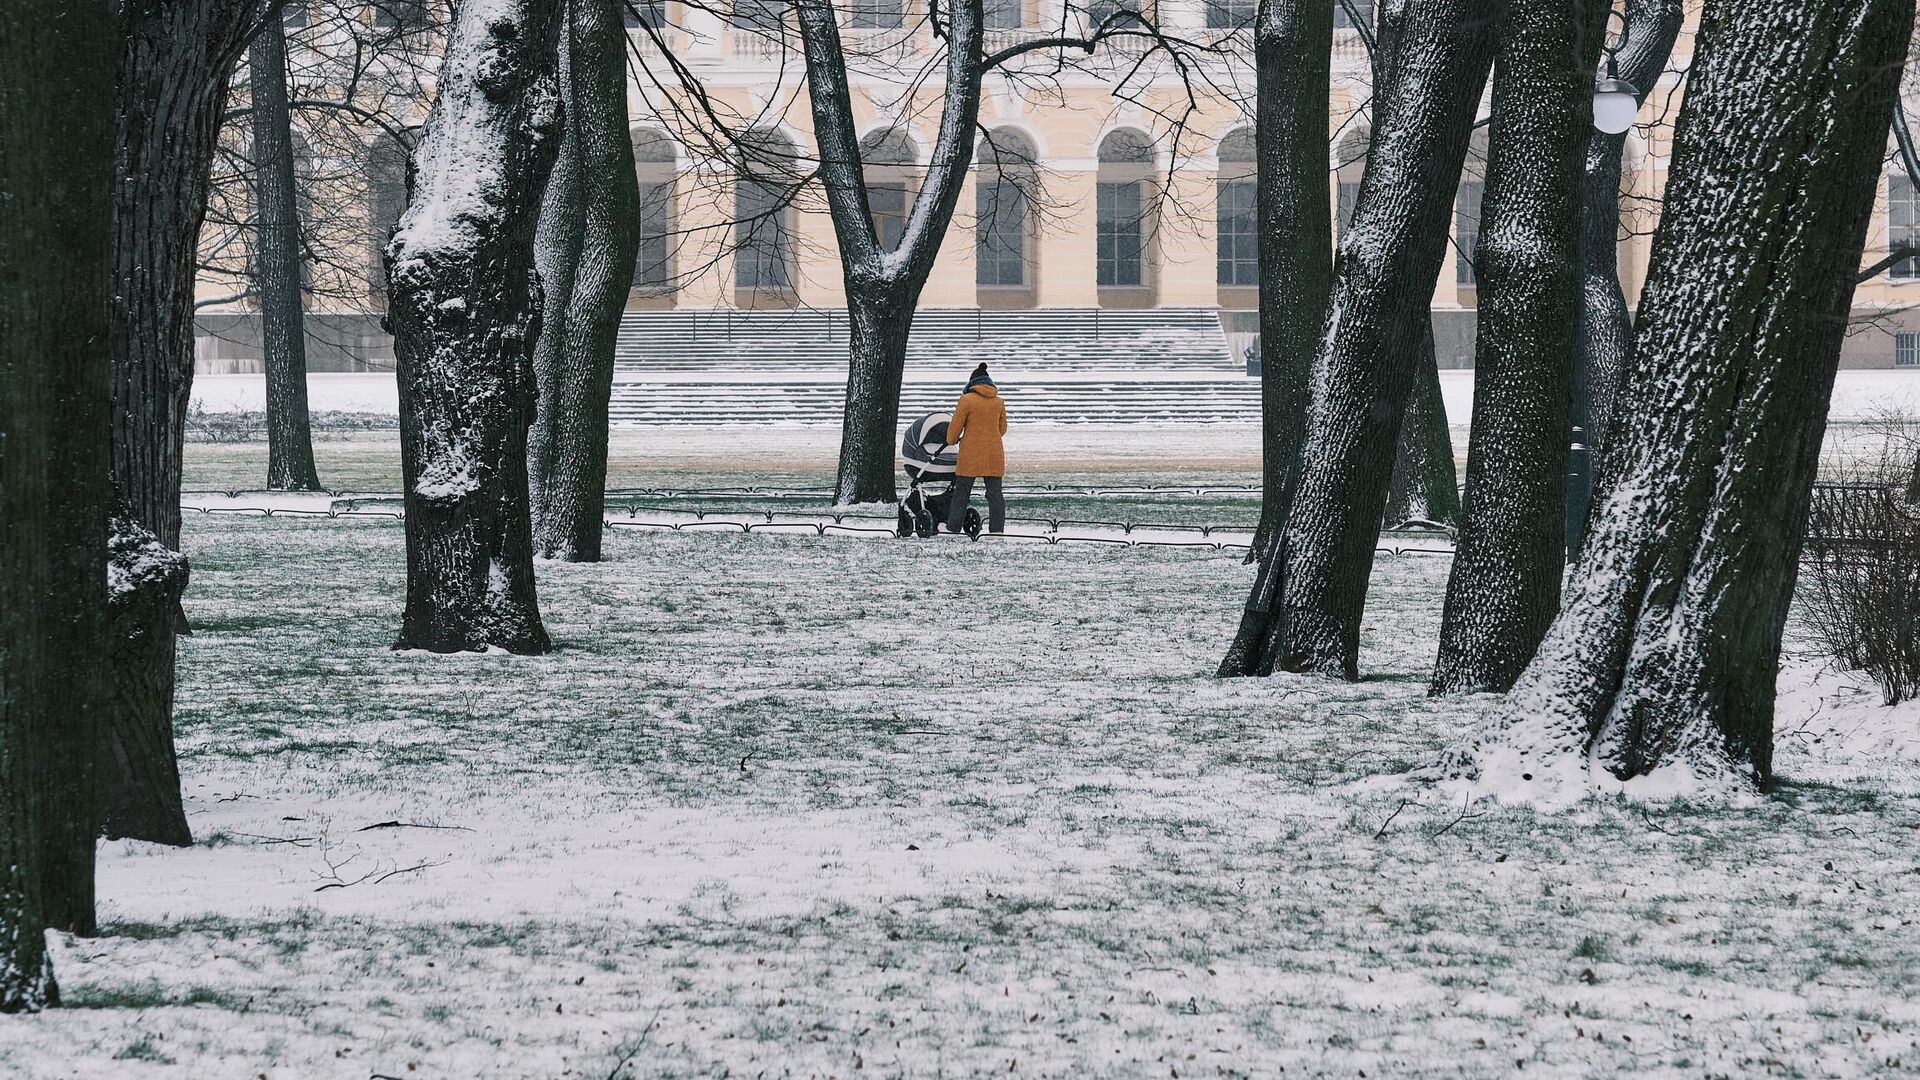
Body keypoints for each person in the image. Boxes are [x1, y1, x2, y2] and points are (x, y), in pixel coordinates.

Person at [945, 362, 1007, 535]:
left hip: (970, 454)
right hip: (993, 454)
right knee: (995, 494)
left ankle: (953, 526)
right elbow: (1002, 429)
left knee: (962, 493)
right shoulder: (998, 402)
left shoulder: (966, 400)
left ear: (972, 383)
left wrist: (952, 440)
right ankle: (997, 530)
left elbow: (955, 429)